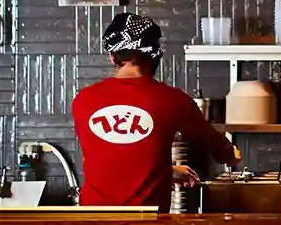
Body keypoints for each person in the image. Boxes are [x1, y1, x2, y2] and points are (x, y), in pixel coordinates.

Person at [72, 12, 240, 212]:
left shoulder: (83, 100)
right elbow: (217, 148)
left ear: (112, 56)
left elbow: (116, 159)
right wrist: (233, 155)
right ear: (154, 54)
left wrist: (167, 172)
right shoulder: (172, 99)